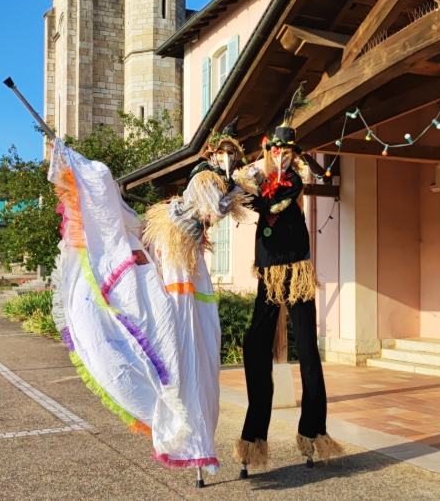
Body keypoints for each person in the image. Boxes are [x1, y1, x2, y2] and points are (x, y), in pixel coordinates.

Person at [144, 118, 252, 474]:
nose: (227, 160)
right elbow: (214, 210)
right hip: (178, 249)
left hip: (190, 252)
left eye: (232, 156)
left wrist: (239, 186)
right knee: (184, 323)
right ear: (213, 154)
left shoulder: (218, 179)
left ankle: (198, 432)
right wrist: (241, 186)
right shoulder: (206, 177)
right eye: (223, 154)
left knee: (202, 330)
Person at [233, 120, 342, 473]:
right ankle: (253, 439)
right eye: (276, 150)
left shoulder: (293, 182)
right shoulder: (257, 177)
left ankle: (313, 433)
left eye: (288, 151)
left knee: (307, 348)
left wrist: (246, 191)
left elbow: (271, 205)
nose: (282, 156)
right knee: (256, 344)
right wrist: (235, 181)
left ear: (294, 154)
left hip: (296, 270)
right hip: (269, 271)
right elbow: (243, 192)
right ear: (268, 151)